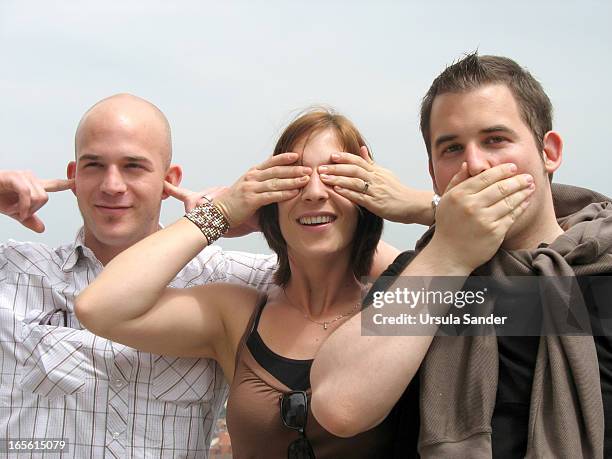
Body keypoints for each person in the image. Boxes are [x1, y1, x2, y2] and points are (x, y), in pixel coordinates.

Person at [74, 108, 452, 458]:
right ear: (267, 195)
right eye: (294, 178)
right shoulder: (238, 314)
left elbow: (509, 307)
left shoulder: (409, 302)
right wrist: (220, 214)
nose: (315, 192)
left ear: (369, 194)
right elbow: (100, 307)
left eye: (337, 178)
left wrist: (422, 207)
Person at [310, 52, 612, 458]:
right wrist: (449, 255)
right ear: (434, 172)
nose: (474, 164)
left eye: (496, 140)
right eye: (451, 148)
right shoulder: (422, 272)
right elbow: (338, 406)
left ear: (549, 152)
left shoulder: (602, 270)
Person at [0, 93, 315, 458]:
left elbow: (371, 292)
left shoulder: (224, 282)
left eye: (133, 166)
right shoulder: (15, 271)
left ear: (170, 180)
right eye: (94, 166)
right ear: (73, 177)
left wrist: (266, 221)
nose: (112, 185)